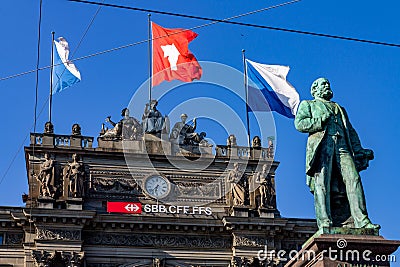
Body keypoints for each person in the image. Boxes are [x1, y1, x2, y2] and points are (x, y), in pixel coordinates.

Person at [294, 77, 379, 229]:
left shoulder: (339, 108)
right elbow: (300, 124)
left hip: (342, 146)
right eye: (323, 84)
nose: (327, 86)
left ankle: (362, 221)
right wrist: (320, 120)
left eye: (328, 83)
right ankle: (325, 222)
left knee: (354, 179)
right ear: (315, 90)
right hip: (322, 145)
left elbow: (350, 131)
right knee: (322, 183)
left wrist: (359, 149)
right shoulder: (308, 104)